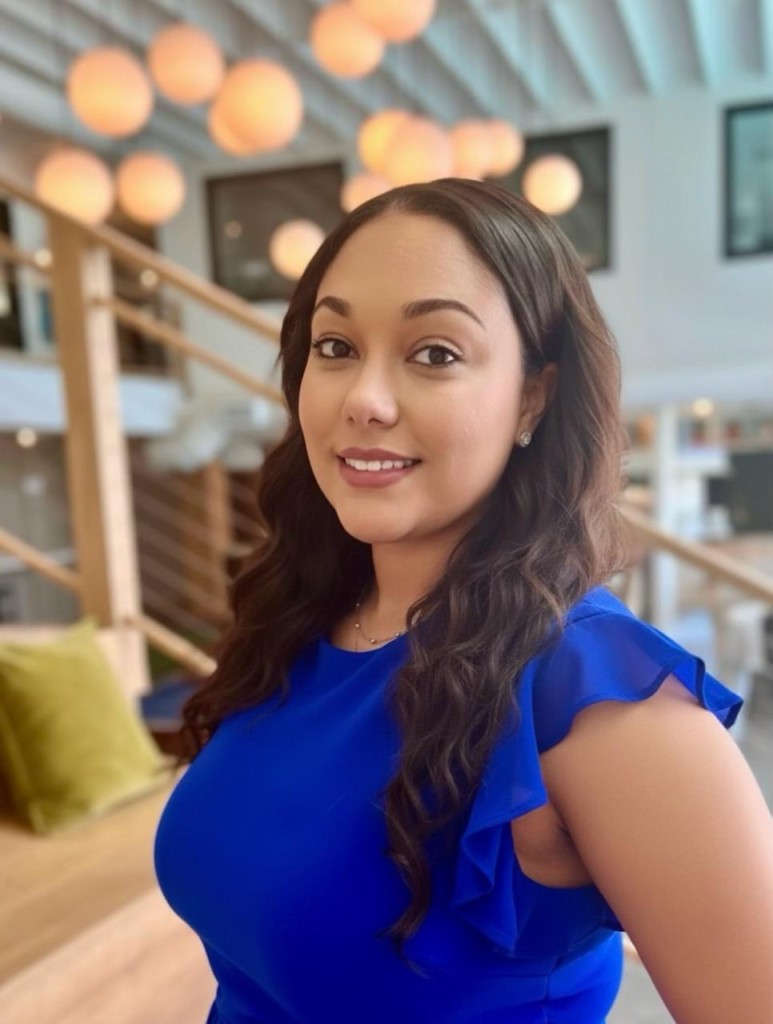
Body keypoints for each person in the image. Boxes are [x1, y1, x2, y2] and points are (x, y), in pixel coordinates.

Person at [154, 179, 773, 1024]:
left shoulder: (593, 694)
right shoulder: (302, 621)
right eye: (335, 346)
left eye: (435, 354)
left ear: (533, 397)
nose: (363, 399)